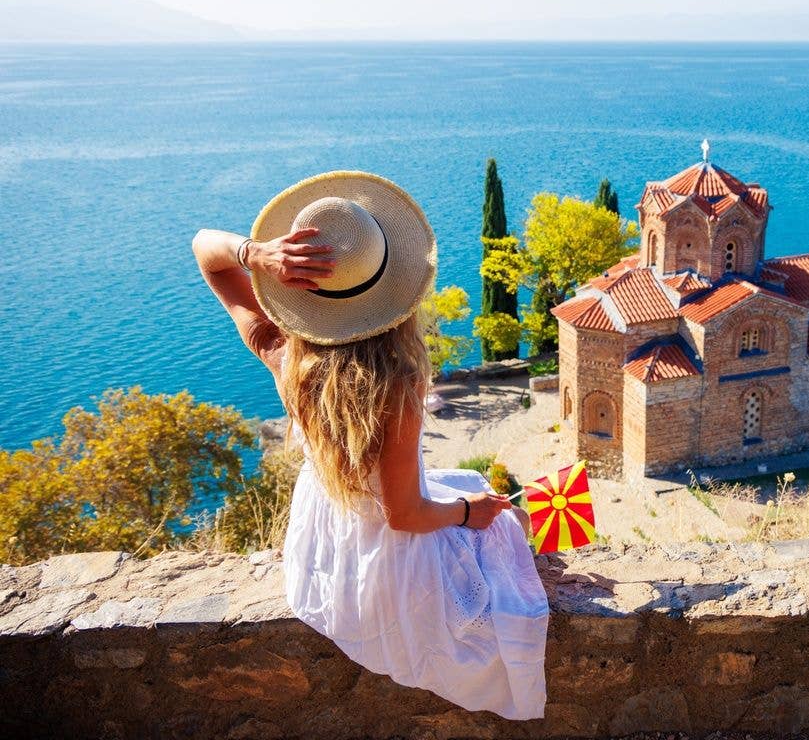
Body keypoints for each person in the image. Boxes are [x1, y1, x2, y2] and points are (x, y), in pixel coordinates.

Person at [191, 170, 549, 720]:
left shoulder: (286, 357)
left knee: (475, 492)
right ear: (395, 297)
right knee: (501, 521)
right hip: (390, 567)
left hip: (323, 554)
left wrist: (254, 253)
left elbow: (206, 251)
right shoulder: (397, 388)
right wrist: (467, 515)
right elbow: (405, 515)